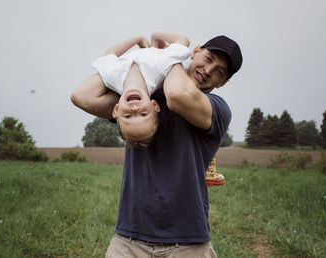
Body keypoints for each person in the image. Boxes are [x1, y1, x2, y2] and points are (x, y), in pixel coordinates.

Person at [71, 33, 243, 257]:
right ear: (196, 51)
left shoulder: (217, 109)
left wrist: (165, 56)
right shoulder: (144, 101)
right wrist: (140, 62)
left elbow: (176, 94)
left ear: (223, 83)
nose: (208, 70)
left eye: (219, 71)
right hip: (129, 239)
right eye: (208, 59)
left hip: (187, 243)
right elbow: (82, 96)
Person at [90, 32, 191, 147]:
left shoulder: (111, 78)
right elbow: (183, 41)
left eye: (127, 116)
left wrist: (138, 39)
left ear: (116, 110)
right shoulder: (160, 70)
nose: (134, 108)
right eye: (143, 114)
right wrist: (156, 36)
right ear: (155, 105)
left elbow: (110, 54)